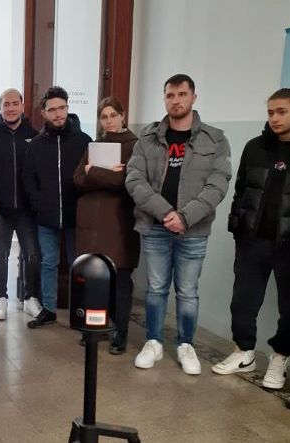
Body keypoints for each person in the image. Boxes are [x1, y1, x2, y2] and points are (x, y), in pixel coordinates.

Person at [126, 74, 232, 375]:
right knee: (156, 288)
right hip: (155, 227)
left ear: (193, 97)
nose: (176, 100)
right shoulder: (148, 138)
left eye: (182, 94)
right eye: (170, 95)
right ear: (165, 99)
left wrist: (184, 217)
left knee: (187, 292)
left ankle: (186, 344)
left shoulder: (215, 139)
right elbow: (134, 179)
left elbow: (217, 185)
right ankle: (154, 342)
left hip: (193, 230)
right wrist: (165, 213)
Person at [212, 88, 290, 389]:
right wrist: (238, 229)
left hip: (288, 245)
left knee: (289, 306)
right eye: (270, 112)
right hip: (253, 240)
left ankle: (280, 357)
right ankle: (244, 352)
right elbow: (241, 190)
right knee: (243, 301)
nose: (274, 118)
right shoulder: (255, 147)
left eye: (282, 111)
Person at [73, 97, 140, 354]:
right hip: (93, 223)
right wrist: (106, 174)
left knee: (120, 279)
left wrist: (94, 172)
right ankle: (96, 326)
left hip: (120, 222)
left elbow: (124, 182)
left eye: (113, 115)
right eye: (104, 117)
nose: (109, 121)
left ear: (123, 115)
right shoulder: (95, 145)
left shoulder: (135, 145)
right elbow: (77, 178)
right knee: (96, 277)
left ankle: (120, 332)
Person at [22, 86, 92, 329]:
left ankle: (79, 311)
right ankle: (49, 310)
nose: (58, 113)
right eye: (52, 109)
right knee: (49, 262)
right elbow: (28, 178)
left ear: (68, 108)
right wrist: (39, 203)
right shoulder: (36, 144)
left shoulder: (84, 141)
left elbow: (91, 176)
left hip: (76, 215)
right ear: (44, 113)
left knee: (77, 264)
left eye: (62, 108)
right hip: (46, 216)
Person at [0, 88, 41, 320]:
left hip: (27, 211)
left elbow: (40, 172)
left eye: (14, 103)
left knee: (32, 254)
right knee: (0, 254)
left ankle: (30, 298)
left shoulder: (34, 135)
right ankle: (1, 299)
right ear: (0, 107)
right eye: (6, 104)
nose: (10, 108)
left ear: (22, 105)